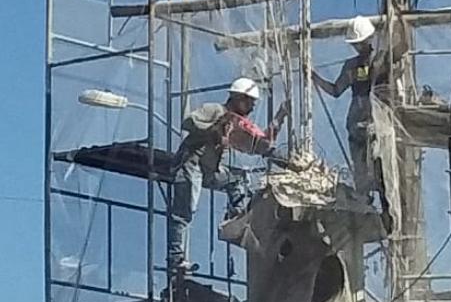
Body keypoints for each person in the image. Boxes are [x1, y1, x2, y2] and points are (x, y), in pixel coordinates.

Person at [167, 77, 287, 275]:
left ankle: (237, 219)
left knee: (236, 180)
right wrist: (215, 127)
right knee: (185, 210)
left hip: (210, 170)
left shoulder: (238, 124)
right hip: (191, 164)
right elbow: (188, 122)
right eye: (249, 102)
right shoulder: (216, 111)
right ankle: (176, 257)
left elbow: (263, 145)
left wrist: (280, 116)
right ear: (238, 97)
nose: (251, 107)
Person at [310, 15, 402, 204]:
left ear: (369, 39)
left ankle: (387, 206)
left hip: (378, 123)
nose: (358, 47)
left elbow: (401, 53)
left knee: (380, 167)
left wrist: (398, 22)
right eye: (355, 44)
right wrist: (314, 78)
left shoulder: (383, 60)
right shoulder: (352, 66)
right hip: (357, 124)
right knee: (361, 171)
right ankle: (364, 202)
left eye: (360, 43)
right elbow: (336, 90)